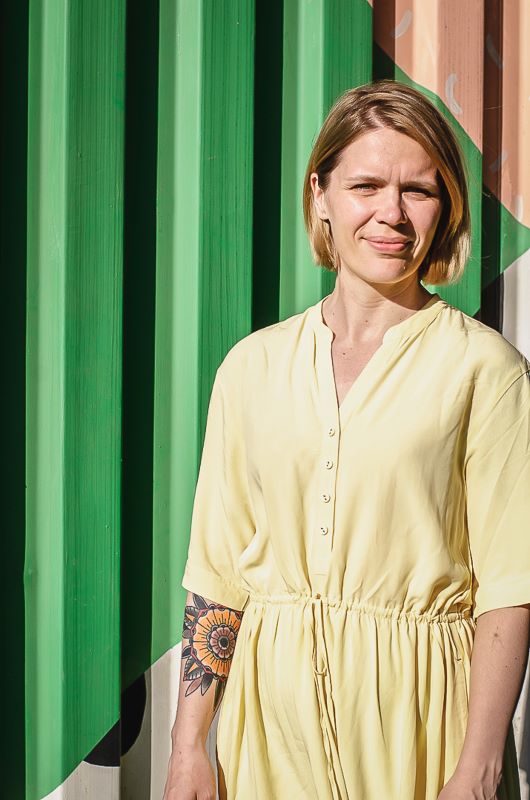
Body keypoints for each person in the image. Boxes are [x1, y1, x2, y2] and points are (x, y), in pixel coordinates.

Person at [163, 80, 530, 800]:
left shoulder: (485, 369)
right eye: (366, 185)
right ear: (321, 194)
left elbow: (510, 586)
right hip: (269, 727)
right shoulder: (251, 366)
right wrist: (186, 747)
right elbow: (217, 574)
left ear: (447, 207)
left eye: (418, 190)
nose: (392, 212)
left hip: (423, 723)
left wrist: (480, 767)